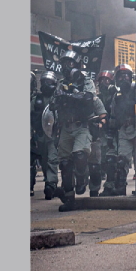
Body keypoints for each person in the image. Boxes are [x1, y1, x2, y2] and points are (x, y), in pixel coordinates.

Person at [51, 51, 107, 211]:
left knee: (80, 155)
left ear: (76, 64)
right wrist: (57, 100)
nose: (65, 67)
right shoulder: (61, 83)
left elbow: (89, 97)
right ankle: (69, 198)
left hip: (82, 125)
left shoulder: (85, 81)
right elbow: (54, 103)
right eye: (64, 63)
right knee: (65, 163)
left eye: (69, 63)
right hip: (66, 127)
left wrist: (70, 95)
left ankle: (82, 178)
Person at [99, 64, 136, 197]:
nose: (124, 78)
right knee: (121, 160)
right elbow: (114, 116)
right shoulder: (116, 95)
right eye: (121, 76)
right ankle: (120, 188)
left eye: (127, 75)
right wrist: (110, 133)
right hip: (124, 130)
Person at [31, 71, 61, 199]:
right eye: (43, 82)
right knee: (42, 161)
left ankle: (51, 184)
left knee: (52, 160)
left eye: (49, 82)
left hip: (54, 135)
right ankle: (41, 180)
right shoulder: (36, 99)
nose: (45, 85)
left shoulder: (59, 98)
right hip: (39, 134)